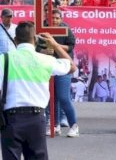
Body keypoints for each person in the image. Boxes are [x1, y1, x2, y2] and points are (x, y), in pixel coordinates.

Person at [0, 22, 76, 159]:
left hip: (11, 120)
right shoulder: (45, 60)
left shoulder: (4, 59)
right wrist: (55, 45)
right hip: (37, 119)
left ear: (15, 40)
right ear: (35, 39)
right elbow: (72, 67)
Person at [37, 9, 79, 137]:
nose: (54, 20)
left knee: (63, 97)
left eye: (57, 18)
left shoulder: (65, 29)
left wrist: (56, 46)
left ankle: (74, 126)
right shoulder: (41, 29)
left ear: (61, 19)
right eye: (52, 18)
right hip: (47, 66)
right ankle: (55, 125)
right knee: (50, 98)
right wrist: (45, 50)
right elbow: (37, 47)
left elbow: (71, 46)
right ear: (47, 17)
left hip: (63, 66)